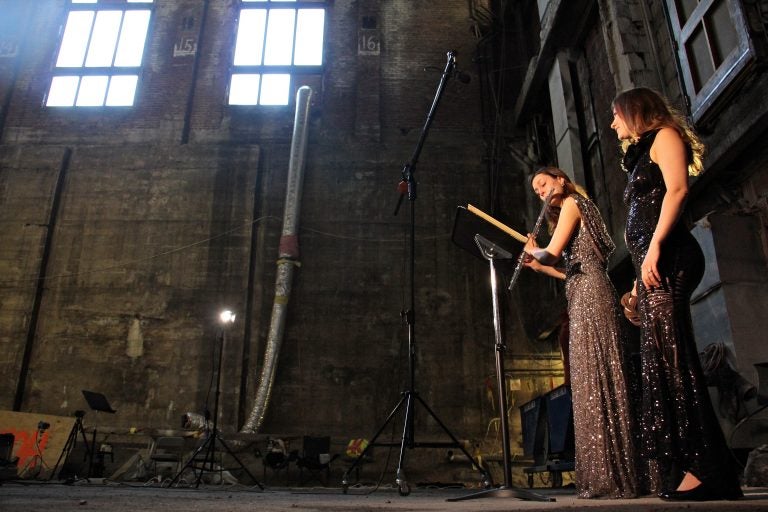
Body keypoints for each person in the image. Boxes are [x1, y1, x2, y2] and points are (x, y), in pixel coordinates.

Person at [610, 87, 742, 501]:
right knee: (663, 363)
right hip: (654, 264)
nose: (613, 124)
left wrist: (653, 251)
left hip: (672, 258)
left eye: (617, 116)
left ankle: (705, 469)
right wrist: (635, 281)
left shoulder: (665, 135)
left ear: (635, 112)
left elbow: (677, 192)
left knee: (673, 359)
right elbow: (644, 217)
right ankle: (698, 466)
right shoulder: (641, 152)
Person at [523, 167, 639, 498]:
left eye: (542, 184)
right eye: (535, 191)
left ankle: (612, 474)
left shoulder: (574, 202)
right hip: (584, 289)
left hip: (591, 295)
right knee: (590, 380)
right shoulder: (575, 209)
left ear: (560, 178)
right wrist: (541, 266)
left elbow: (554, 252)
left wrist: (534, 250)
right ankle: (608, 471)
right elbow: (572, 270)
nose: (540, 192)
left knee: (596, 377)